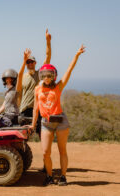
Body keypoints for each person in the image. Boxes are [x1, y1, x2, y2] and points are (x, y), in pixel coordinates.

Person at [29, 44, 86, 186]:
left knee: (62, 151)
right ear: (41, 76)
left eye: (50, 75)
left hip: (61, 121)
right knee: (45, 152)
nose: (47, 78)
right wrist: (32, 123)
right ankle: (49, 176)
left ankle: (63, 177)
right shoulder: (37, 88)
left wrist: (76, 55)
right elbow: (36, 107)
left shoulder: (58, 86)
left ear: (53, 76)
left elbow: (69, 70)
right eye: (44, 75)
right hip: (45, 123)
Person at [20, 29, 52, 134]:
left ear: (35, 63)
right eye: (28, 62)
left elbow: (48, 57)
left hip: (37, 109)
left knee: (41, 134)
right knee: (22, 138)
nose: (30, 64)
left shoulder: (39, 74)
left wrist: (48, 42)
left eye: (31, 62)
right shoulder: (22, 76)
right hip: (24, 111)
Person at [0, 49, 31, 127]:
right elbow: (4, 105)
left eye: (10, 79)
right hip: (7, 114)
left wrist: (24, 61)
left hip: (13, 115)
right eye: (6, 79)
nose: (8, 80)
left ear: (14, 79)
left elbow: (20, 75)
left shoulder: (16, 89)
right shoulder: (7, 92)